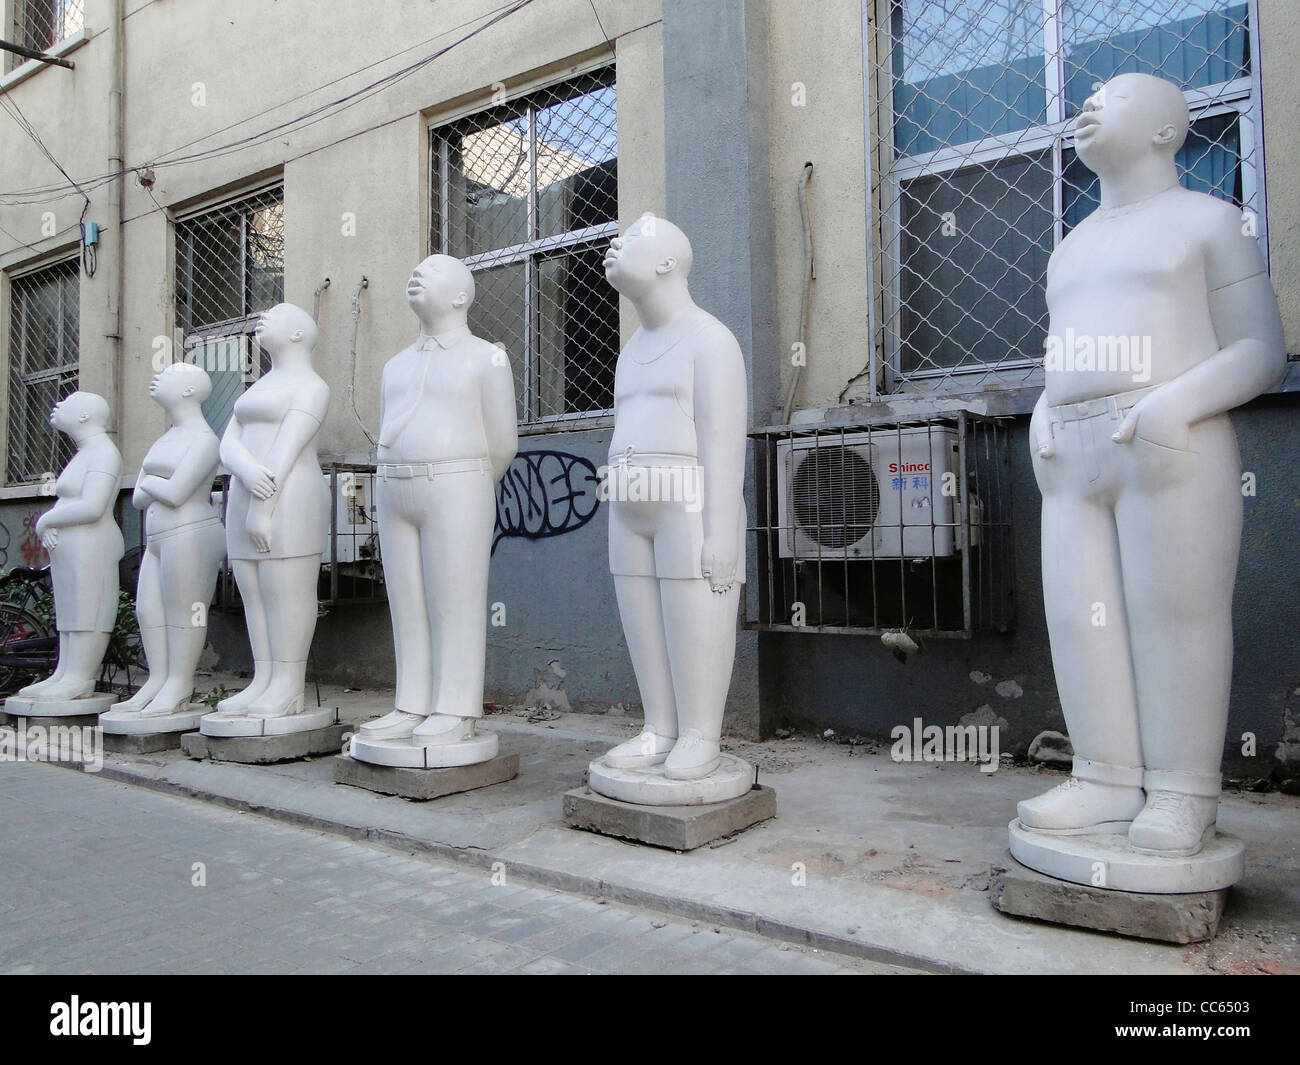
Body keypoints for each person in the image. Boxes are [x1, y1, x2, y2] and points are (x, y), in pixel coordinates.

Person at [1019, 73, 1286, 855]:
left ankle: (1181, 790)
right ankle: (1103, 775)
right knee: (1079, 617)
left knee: (1176, 615)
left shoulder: (1209, 222)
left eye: (1119, 95)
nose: (1091, 105)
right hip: (1070, 451)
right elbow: (1063, 349)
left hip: (1169, 441)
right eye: (1088, 98)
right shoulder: (1070, 246)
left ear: (1170, 129)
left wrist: (1176, 402)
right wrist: (1044, 409)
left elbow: (1259, 349)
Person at [597, 214, 747, 781]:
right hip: (629, 501)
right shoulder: (632, 347)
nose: (615, 245)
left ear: (666, 263)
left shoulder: (710, 340)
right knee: (642, 618)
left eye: (632, 239)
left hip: (688, 498)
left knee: (694, 615)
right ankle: (658, 726)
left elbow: (724, 440)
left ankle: (700, 732)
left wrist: (721, 532)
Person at [355, 255, 517, 752]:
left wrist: (465, 485)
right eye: (415, 269)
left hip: (457, 484)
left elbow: (502, 440)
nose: (418, 274)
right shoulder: (395, 365)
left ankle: (455, 707)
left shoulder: (487, 357)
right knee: (407, 601)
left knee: (457, 599)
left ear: (461, 295)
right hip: (395, 486)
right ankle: (411, 702)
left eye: (435, 271)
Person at [210, 303, 330, 719]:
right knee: (254, 593)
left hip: (289, 497)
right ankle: (264, 678)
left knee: (286, 591)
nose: (263, 317)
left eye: (276, 315)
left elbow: (287, 449)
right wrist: (245, 471)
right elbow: (227, 442)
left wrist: (264, 506)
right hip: (245, 493)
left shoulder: (311, 386)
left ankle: (288, 684)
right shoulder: (256, 387)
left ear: (299, 333)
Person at [109, 363, 224, 718]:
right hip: (157, 537)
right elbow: (138, 498)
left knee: (184, 611)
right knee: (148, 610)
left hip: (189, 533)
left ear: (189, 391)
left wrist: (155, 482)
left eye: (170, 374)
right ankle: (158, 679)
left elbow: (175, 494)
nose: (157, 375)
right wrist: (160, 483)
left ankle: (179, 682)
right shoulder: (165, 438)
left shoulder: (205, 440)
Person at [19, 392, 123, 702]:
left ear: (84, 416)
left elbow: (93, 506)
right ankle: (64, 672)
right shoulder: (84, 453)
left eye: (67, 402)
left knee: (87, 609)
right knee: (69, 611)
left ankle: (80, 677)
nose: (57, 404)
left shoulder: (104, 453)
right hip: (71, 546)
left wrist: (46, 521)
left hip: (91, 543)